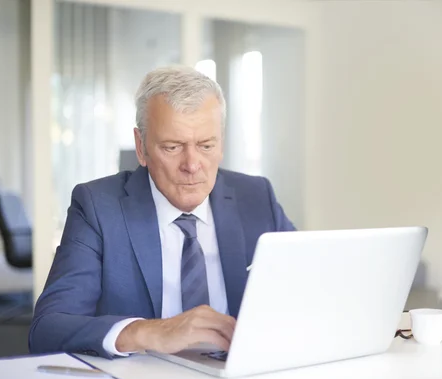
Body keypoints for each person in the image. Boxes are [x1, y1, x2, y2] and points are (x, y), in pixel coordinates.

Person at [29, 65, 295, 359]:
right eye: (172, 147)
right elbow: (47, 329)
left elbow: (311, 288)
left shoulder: (257, 197)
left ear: (221, 144)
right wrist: (149, 331)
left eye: (206, 145)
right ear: (141, 148)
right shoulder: (98, 207)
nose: (192, 164)